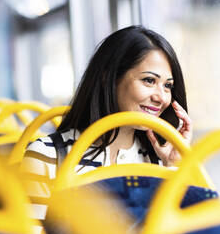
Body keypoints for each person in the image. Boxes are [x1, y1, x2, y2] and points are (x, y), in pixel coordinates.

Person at [20, 26, 192, 221]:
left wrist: (174, 165)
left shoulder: (157, 161)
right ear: (108, 78)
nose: (161, 97)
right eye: (149, 80)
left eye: (168, 85)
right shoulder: (48, 155)